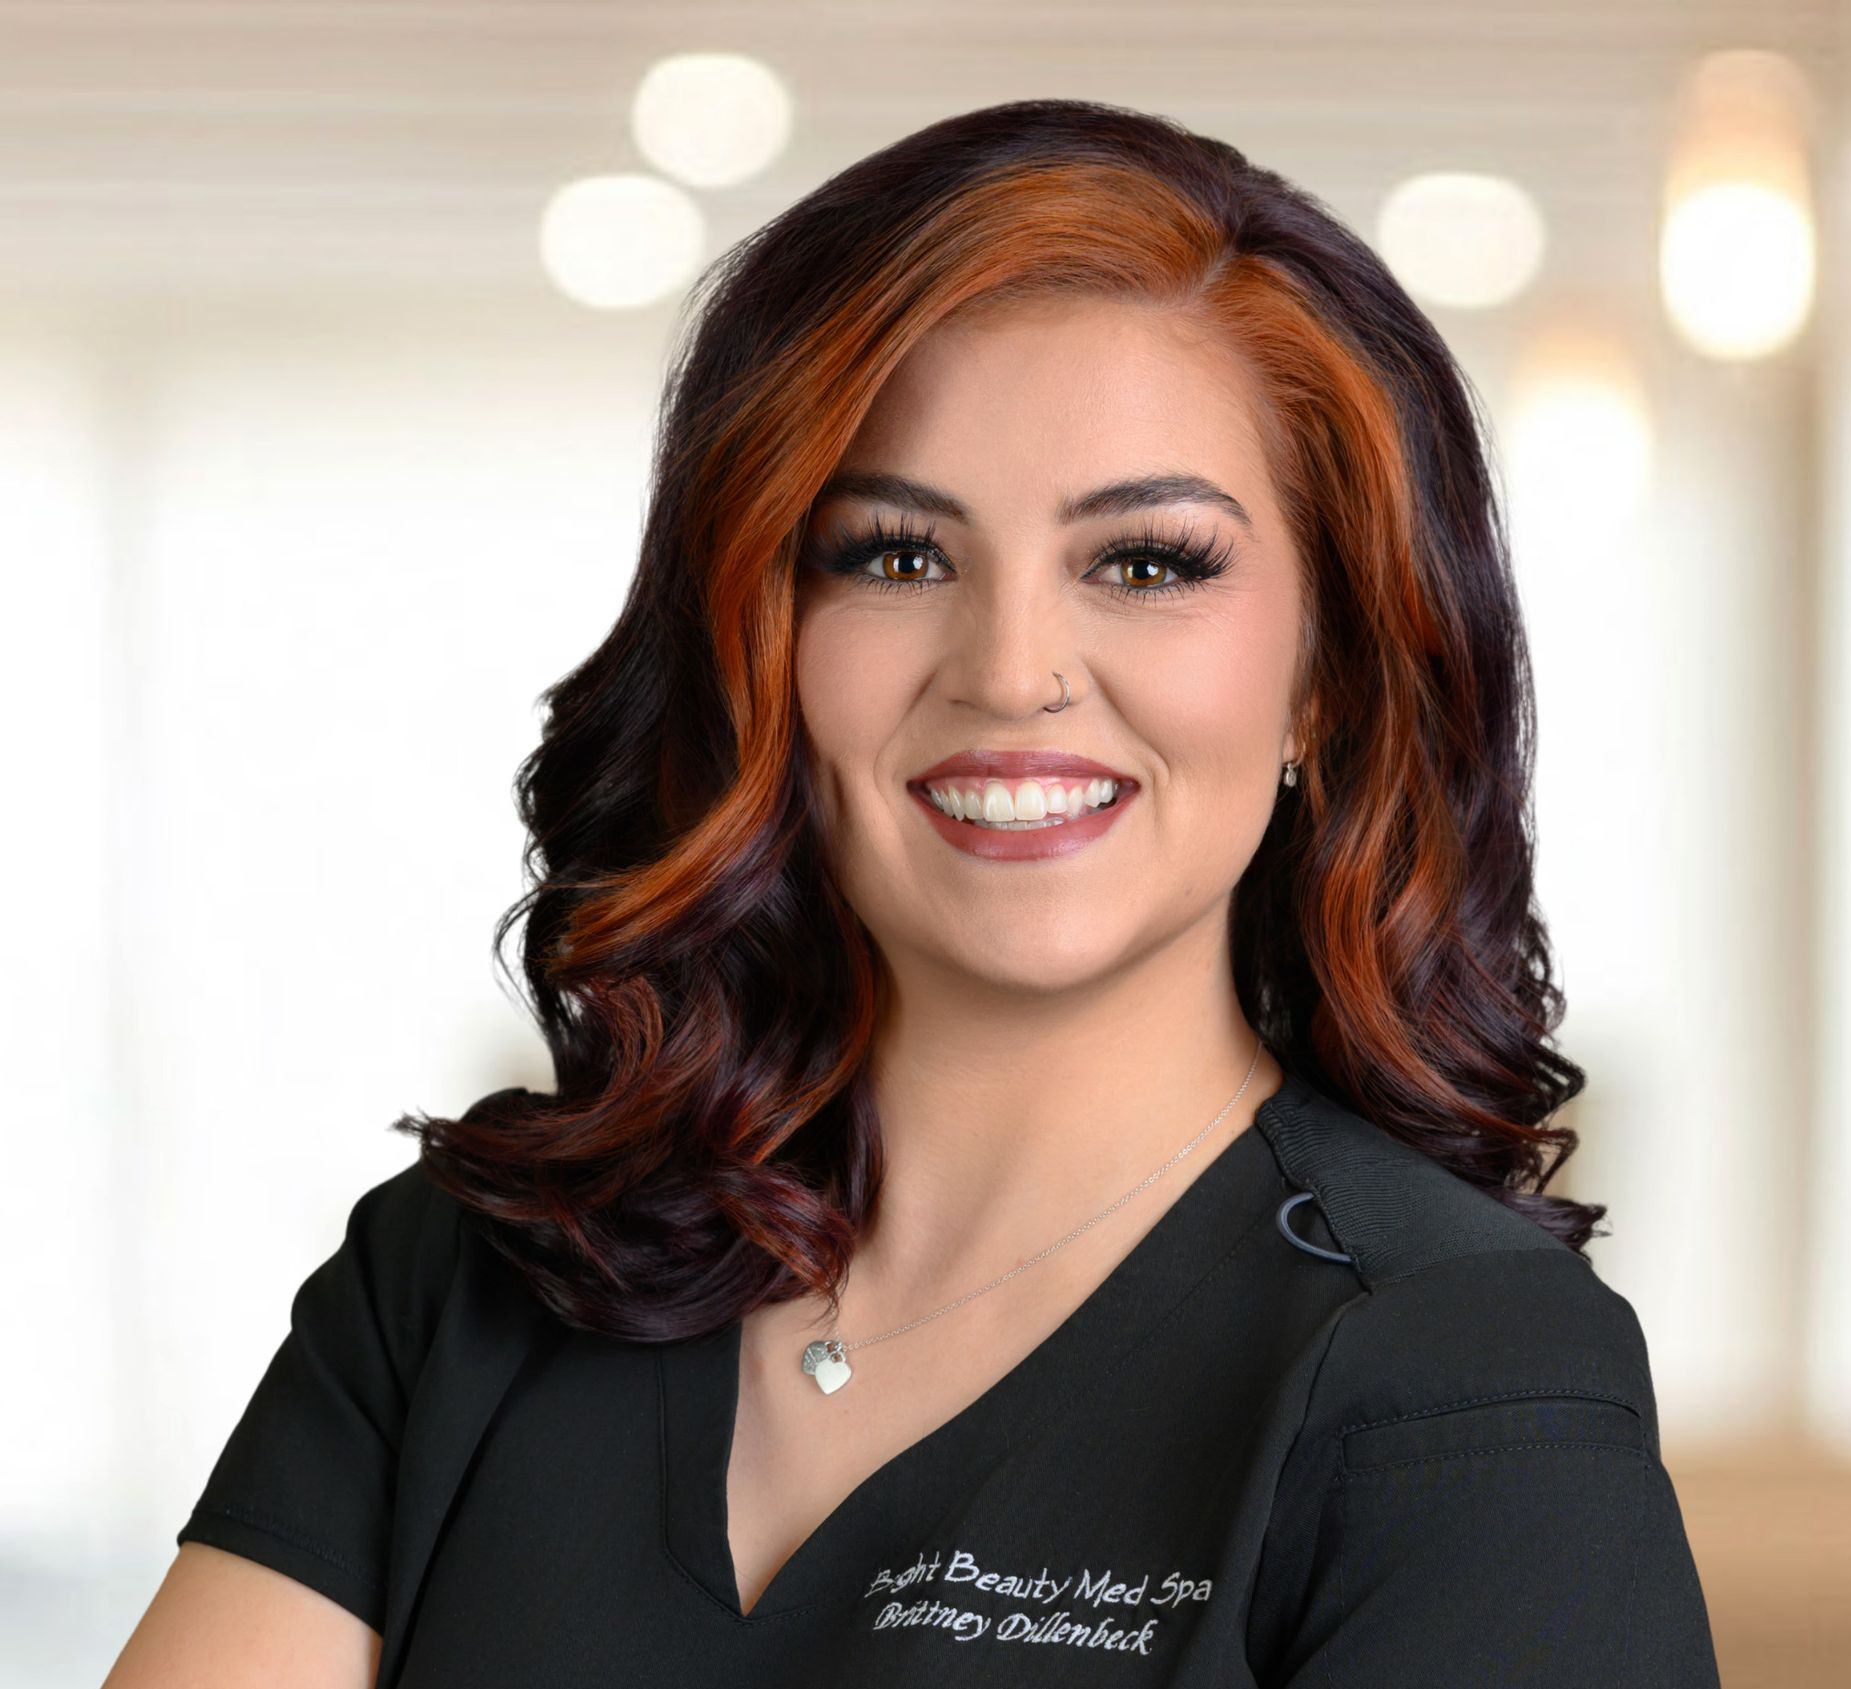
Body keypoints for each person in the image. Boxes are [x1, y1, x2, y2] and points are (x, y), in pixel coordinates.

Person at [105, 97, 1720, 1687]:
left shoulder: (1467, 1381)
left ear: (1328, 675)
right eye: (892, 554)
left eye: (1147, 562)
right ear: (756, 636)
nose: (1012, 674)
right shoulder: (465, 1282)